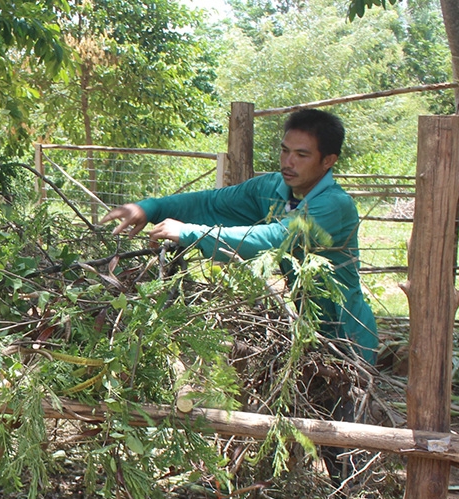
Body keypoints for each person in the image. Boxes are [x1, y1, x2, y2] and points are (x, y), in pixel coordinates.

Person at [101, 108, 378, 367]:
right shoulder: (271, 189)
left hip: (349, 340)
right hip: (307, 334)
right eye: (284, 151)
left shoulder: (334, 205)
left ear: (328, 161)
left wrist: (188, 233)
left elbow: (274, 238)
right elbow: (211, 204)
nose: (288, 162)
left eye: (302, 155)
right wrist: (150, 208)